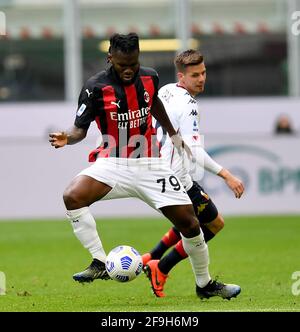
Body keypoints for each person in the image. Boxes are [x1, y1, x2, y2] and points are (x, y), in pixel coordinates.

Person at [49, 33, 240, 300]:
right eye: (121, 65)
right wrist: (67, 138)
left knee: (190, 224)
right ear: (110, 59)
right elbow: (79, 129)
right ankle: (100, 262)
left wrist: (173, 135)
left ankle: (205, 284)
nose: (128, 70)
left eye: (133, 64)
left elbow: (154, 105)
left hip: (151, 163)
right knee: (72, 196)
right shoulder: (95, 88)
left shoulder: (150, 78)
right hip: (113, 163)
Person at [142, 49, 245, 297]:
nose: (202, 79)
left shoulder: (165, 89)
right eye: (195, 75)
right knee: (211, 225)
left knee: (194, 222)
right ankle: (166, 269)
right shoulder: (189, 105)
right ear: (182, 76)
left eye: (204, 72)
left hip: (168, 173)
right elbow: (194, 152)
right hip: (175, 177)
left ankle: (153, 257)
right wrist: (227, 176)